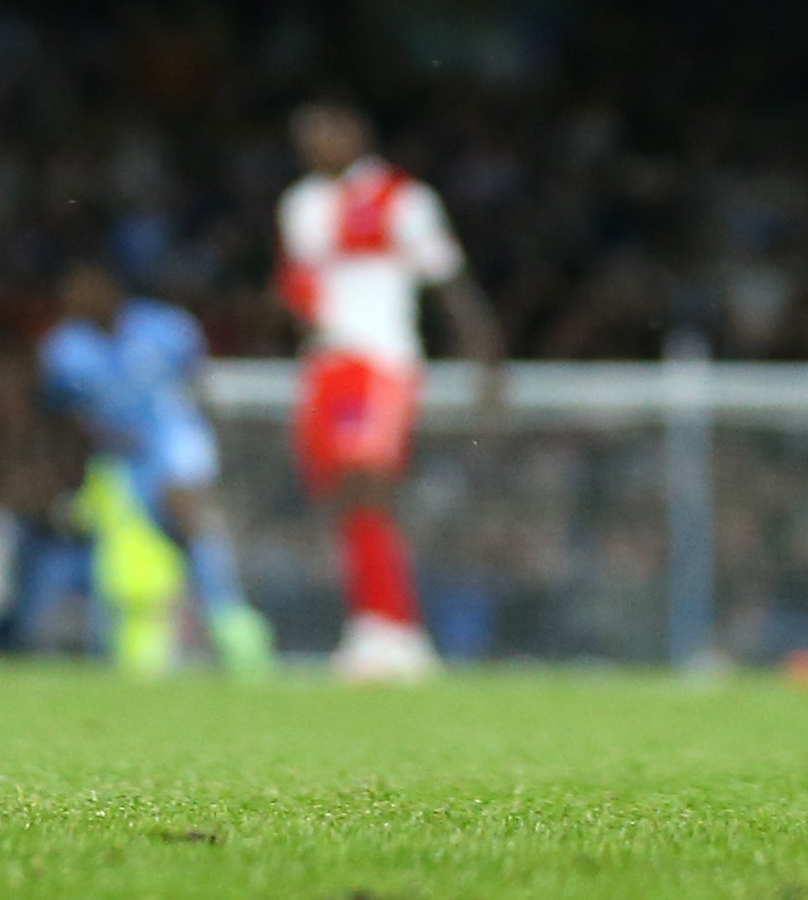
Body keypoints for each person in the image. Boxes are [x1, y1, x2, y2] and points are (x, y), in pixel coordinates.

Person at [277, 99, 496, 681]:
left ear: (356, 132)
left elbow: (450, 281)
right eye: (306, 136)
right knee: (343, 496)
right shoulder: (300, 206)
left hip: (380, 363)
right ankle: (374, 624)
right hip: (327, 365)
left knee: (368, 485)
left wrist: (487, 359)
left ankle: (396, 630)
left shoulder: (403, 199)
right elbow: (302, 290)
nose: (314, 145)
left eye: (324, 131)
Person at [36, 260, 271, 677]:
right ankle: (154, 639)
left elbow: (198, 384)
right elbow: (60, 412)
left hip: (175, 437)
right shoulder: (66, 348)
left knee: (185, 510)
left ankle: (231, 620)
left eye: (85, 289)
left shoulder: (164, 327)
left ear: (110, 289)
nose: (77, 300)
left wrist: (215, 440)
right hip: (118, 459)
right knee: (139, 552)